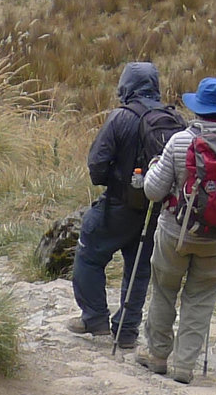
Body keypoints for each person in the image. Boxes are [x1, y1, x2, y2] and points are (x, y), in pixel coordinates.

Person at [138, 78, 216, 384]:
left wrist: (154, 167)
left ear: (197, 108)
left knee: (165, 290)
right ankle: (184, 365)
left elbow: (153, 191)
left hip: (175, 233)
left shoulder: (180, 141)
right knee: (201, 297)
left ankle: (157, 355)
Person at [69, 62, 187, 348]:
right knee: (139, 269)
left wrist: (117, 180)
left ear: (126, 86)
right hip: (157, 209)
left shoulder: (120, 117)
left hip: (119, 205)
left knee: (89, 252)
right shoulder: (176, 120)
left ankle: (94, 318)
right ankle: (127, 331)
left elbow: (97, 167)